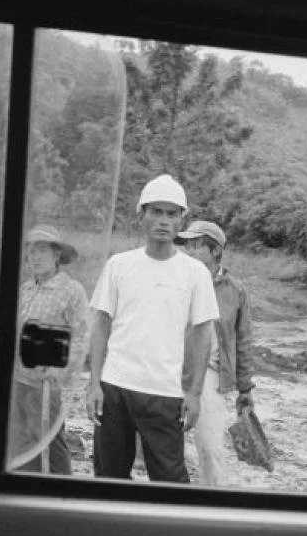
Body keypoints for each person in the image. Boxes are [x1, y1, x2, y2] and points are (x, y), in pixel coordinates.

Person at [87, 174, 220, 483]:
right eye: (156, 211)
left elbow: (202, 334)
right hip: (115, 387)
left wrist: (195, 394)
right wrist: (94, 384)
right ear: (141, 215)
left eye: (171, 213)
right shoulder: (119, 265)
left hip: (164, 392)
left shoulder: (195, 273)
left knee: (169, 480)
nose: (163, 220)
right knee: (108, 477)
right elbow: (101, 324)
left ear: (181, 220)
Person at [176, 220, 256, 486]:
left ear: (216, 251)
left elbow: (243, 341)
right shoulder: (176, 281)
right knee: (166, 447)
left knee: (210, 448)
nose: (188, 251)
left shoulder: (235, 291)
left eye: (196, 245)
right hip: (171, 369)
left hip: (211, 374)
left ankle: (214, 497)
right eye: (187, 245)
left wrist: (245, 388)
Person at [9, 225, 90, 474]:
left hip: (47, 383)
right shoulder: (25, 290)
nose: (35, 257)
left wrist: (59, 370)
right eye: (31, 251)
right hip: (19, 379)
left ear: (56, 255)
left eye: (42, 250)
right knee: (21, 442)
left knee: (49, 442)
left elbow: (80, 337)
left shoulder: (71, 290)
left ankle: (60, 489)